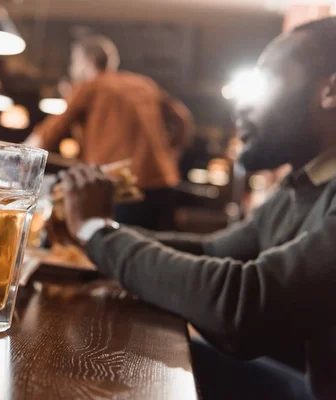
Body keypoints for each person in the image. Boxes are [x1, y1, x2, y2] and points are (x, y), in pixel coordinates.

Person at [58, 17, 336, 400]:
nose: (239, 103)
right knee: (126, 352)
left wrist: (96, 232)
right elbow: (210, 251)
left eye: (265, 81)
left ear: (330, 91)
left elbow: (244, 308)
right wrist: (89, 232)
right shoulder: (303, 185)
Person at [24, 34, 194, 230]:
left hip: (119, 187)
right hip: (163, 182)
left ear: (89, 62)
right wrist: (170, 154)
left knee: (113, 251)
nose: (71, 69)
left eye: (74, 62)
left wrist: (18, 156)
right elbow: (183, 120)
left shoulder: (90, 86)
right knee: (154, 253)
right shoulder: (143, 84)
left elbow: (50, 132)